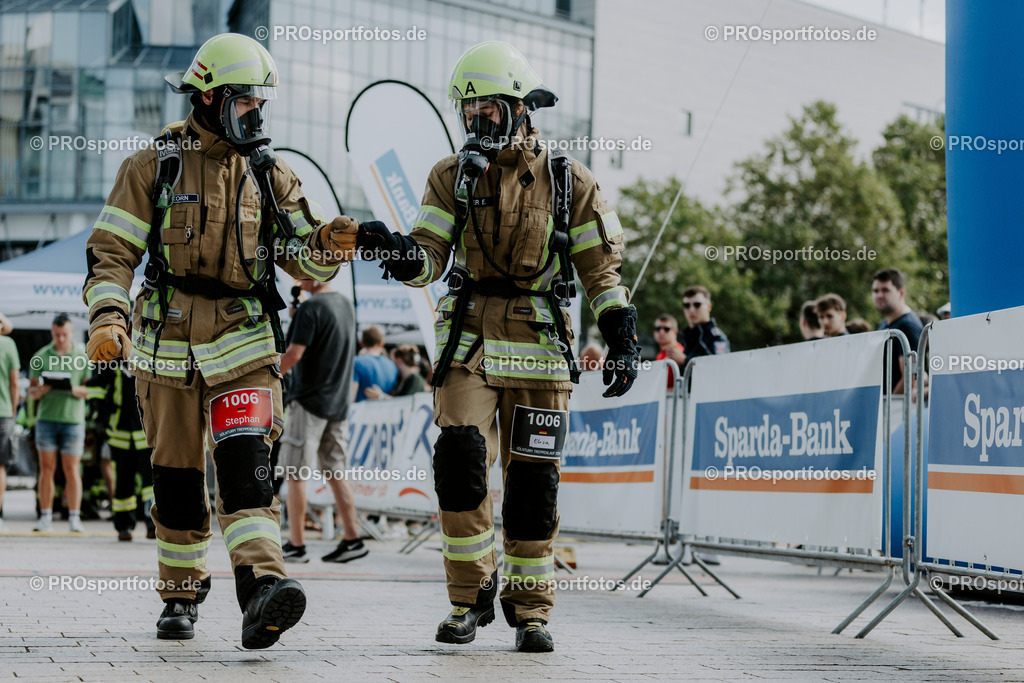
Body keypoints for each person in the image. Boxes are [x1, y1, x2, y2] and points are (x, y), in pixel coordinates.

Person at [330, 41, 639, 652]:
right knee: (460, 459)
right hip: (468, 340)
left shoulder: (567, 179)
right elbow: (426, 263)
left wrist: (622, 336)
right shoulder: (449, 177)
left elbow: (601, 274)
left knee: (532, 484)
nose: (477, 123)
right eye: (469, 112)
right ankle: (468, 598)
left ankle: (531, 611)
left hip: (541, 343)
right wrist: (386, 245)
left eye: (490, 111)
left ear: (522, 109)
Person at [82, 33, 357, 647]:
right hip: (166, 347)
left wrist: (327, 247)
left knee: (246, 470)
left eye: (261, 103)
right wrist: (108, 318)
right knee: (178, 480)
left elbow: (302, 260)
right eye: (245, 102)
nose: (257, 114)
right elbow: (111, 252)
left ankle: (261, 590)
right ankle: (180, 596)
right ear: (207, 99)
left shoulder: (270, 172)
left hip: (245, 345)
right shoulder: (153, 166)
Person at [277, 279, 366, 565]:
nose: (298, 278)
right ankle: (353, 538)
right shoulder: (344, 304)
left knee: (295, 473)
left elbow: (294, 354)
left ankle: (296, 544)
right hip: (337, 402)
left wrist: (270, 372)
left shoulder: (311, 308)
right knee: (336, 472)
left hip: (308, 400)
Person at [28, 314, 89, 533]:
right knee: (46, 469)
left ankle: (74, 517)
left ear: (71, 332)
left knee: (72, 470)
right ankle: (45, 517)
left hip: (73, 421)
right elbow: (32, 391)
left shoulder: (82, 356)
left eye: (64, 335)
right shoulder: (41, 356)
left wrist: (70, 389)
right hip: (46, 420)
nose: (60, 339)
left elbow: (89, 390)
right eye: (56, 335)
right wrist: (39, 390)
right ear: (51, 333)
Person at [86, 360, 155, 541]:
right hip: (119, 432)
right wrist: (99, 414)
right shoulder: (110, 359)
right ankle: (124, 526)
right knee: (123, 482)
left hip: (147, 433)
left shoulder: (147, 356)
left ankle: (152, 524)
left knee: (152, 484)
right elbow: (96, 385)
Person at [872, 268, 923, 395]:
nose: (879, 295)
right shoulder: (884, 323)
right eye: (875, 291)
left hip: (895, 411)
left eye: (885, 290)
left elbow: (910, 378)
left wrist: (887, 406)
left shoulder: (907, 325)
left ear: (900, 293)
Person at [0, 316, 20, 530]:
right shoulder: (7, 344)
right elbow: (14, 383)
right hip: (3, 412)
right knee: (0, 466)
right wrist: (13, 410)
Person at [680, 286, 730, 369]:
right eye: (687, 305)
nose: (691, 309)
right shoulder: (682, 336)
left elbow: (721, 368)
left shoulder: (717, 338)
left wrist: (685, 361)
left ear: (709, 307)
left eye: (697, 305)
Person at [352, 326, 398, 402]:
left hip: (362, 412)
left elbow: (351, 398)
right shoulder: (392, 366)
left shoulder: (356, 363)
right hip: (386, 412)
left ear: (362, 343)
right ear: (381, 343)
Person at [653, 314, 685, 388]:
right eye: (658, 329)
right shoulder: (660, 355)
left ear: (675, 332)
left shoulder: (679, 352)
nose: (661, 332)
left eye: (666, 329)